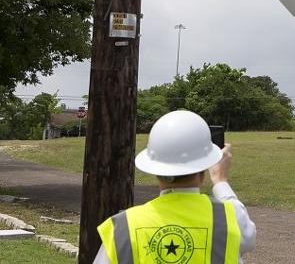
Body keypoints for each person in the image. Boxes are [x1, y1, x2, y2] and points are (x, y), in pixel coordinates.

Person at [94, 110, 257, 263]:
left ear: (155, 168)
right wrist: (220, 180)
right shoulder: (231, 218)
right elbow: (247, 235)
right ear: (205, 164)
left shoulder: (122, 228)